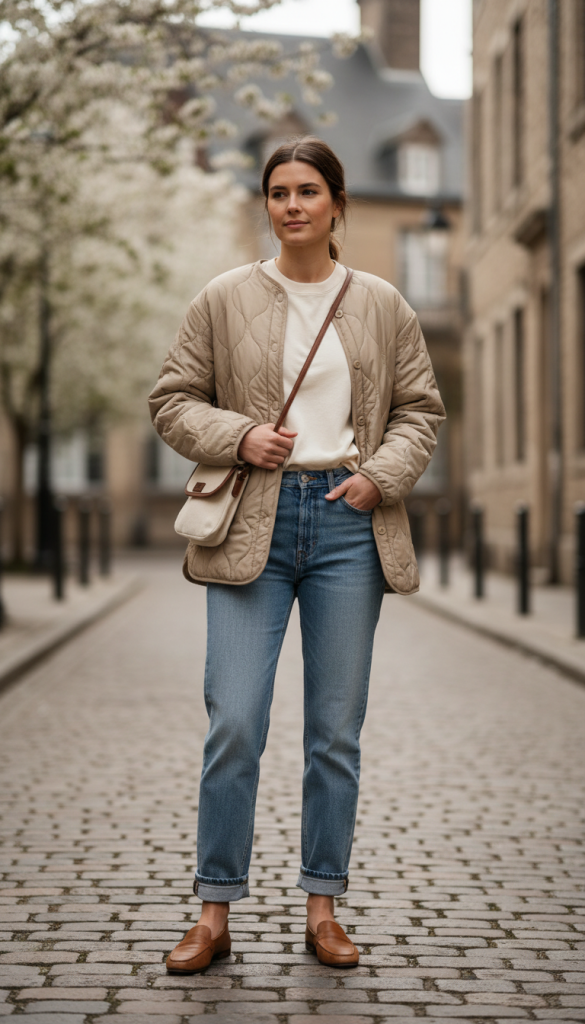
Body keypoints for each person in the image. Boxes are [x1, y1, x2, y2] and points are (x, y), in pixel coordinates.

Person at [149, 136, 445, 973]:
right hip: (253, 523)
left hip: (348, 523)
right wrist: (240, 434)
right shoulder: (224, 297)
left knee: (332, 733)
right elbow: (170, 399)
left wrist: (377, 476)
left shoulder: (382, 303)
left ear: (336, 203)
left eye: (307, 189)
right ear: (266, 204)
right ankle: (213, 912)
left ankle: (323, 906)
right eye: (277, 190)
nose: (291, 204)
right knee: (235, 721)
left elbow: (421, 410)